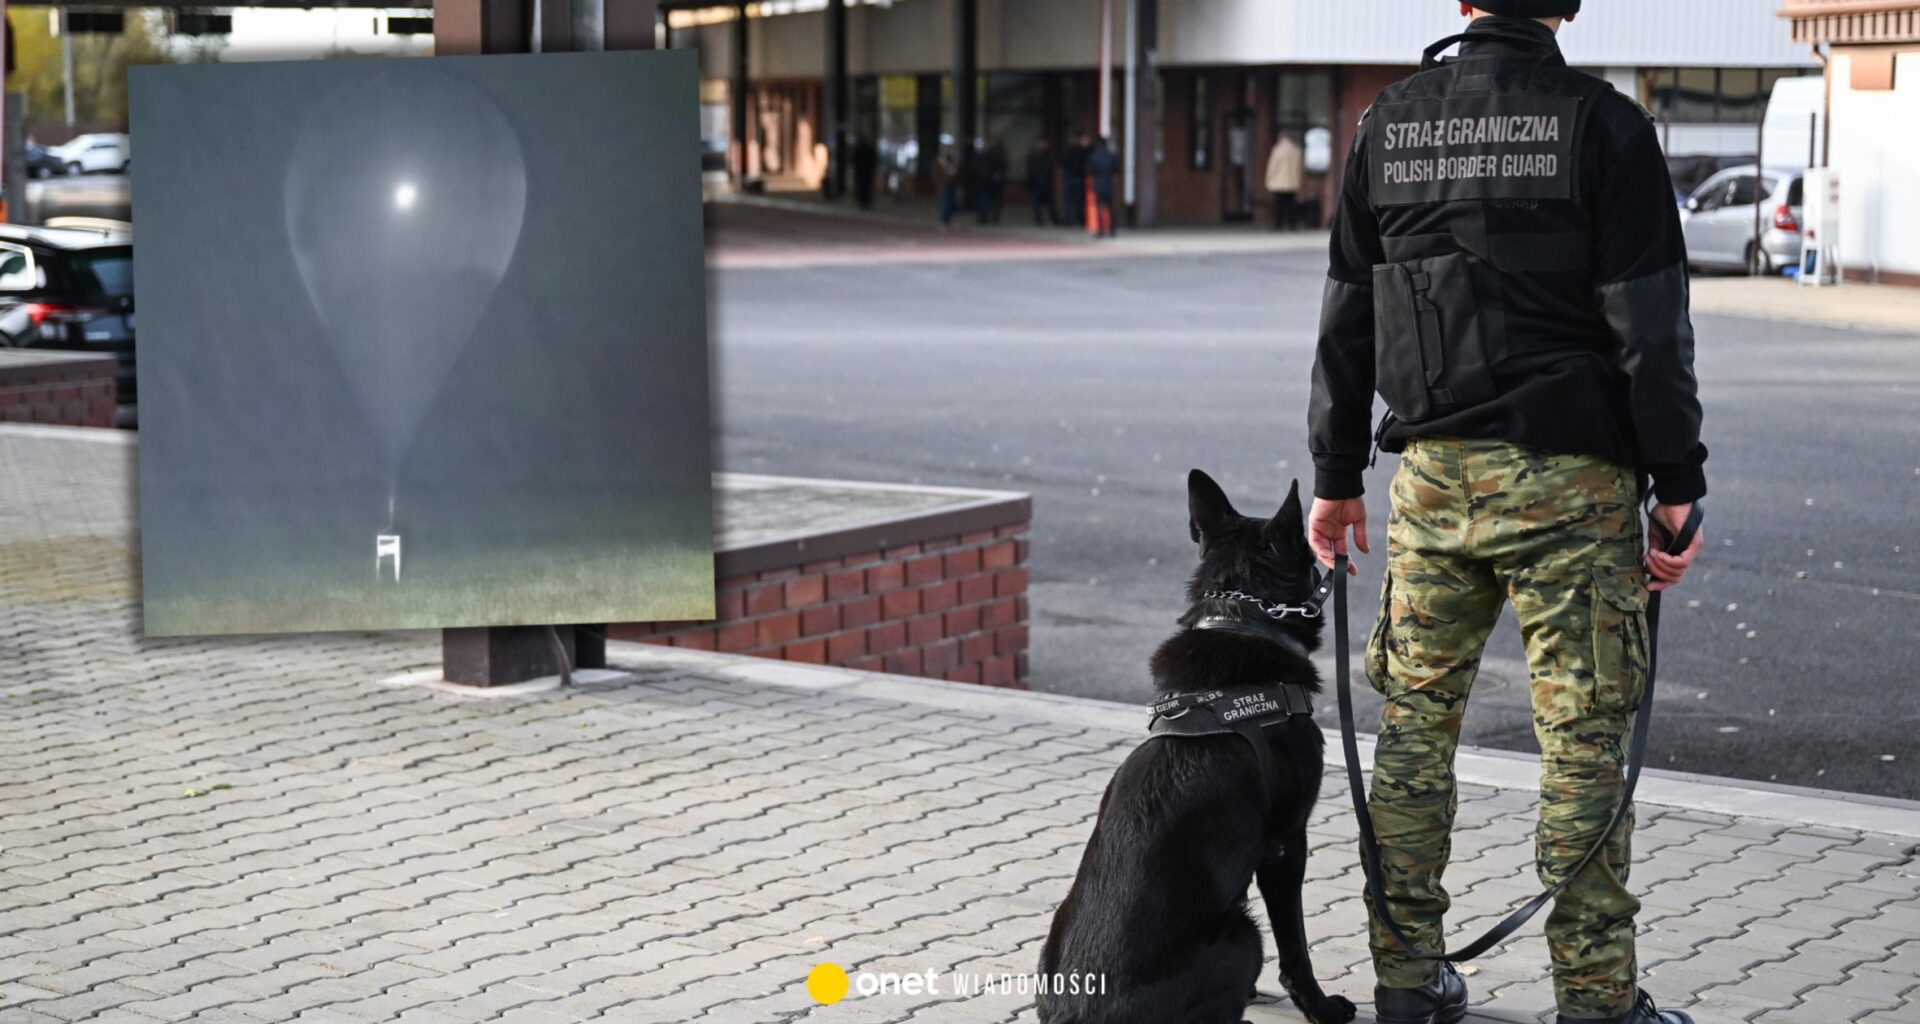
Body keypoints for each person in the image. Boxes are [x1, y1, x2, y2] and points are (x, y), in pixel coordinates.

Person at [1305, 4, 1707, 1024]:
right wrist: (1677, 481)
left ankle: (1406, 983)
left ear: (1458, 1)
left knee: (1411, 732)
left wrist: (1335, 474)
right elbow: (1651, 329)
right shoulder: (1604, 124)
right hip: (1574, 483)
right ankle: (1595, 1000)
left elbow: (1349, 310)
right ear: (1568, 6)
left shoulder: (1388, 122)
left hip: (1434, 480)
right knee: (1582, 741)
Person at [1265, 131, 1305, 231]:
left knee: (1279, 205)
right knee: (1291, 204)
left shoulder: (1277, 150)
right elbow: (1299, 167)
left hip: (1279, 182)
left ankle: (1278, 225)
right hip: (1292, 181)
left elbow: (1272, 167)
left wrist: (1268, 179)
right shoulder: (1296, 150)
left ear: (1281, 138)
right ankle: (1292, 224)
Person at [1085, 137, 1118, 238]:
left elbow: (1088, 170)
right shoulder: (1111, 156)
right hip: (1109, 183)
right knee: (1110, 207)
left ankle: (1101, 230)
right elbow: (1115, 169)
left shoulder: (1094, 157)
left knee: (1099, 207)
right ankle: (1112, 229)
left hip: (1098, 183)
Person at [1026, 138, 1059, 225]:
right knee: (1037, 203)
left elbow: (1050, 168)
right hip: (1036, 182)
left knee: (1050, 203)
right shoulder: (1033, 156)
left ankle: (1053, 219)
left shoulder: (1047, 155)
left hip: (1046, 181)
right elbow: (1030, 170)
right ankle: (1040, 220)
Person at [1062, 133, 1091, 227]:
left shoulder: (1069, 150)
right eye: (1085, 140)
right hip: (1078, 178)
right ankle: (1080, 219)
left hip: (1070, 177)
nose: (1087, 142)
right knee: (1079, 200)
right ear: (1080, 140)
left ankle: (1069, 219)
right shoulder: (1084, 152)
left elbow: (1064, 163)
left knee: (1070, 200)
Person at [936, 142, 961, 228]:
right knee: (945, 202)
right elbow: (936, 173)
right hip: (944, 185)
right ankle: (944, 220)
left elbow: (956, 173)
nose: (951, 152)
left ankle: (949, 219)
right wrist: (940, 182)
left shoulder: (954, 161)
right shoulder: (941, 160)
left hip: (952, 184)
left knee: (952, 203)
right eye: (950, 150)